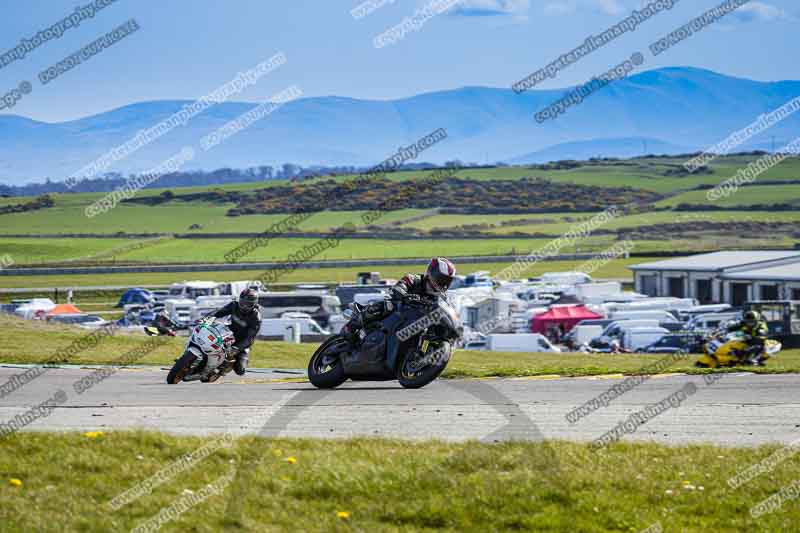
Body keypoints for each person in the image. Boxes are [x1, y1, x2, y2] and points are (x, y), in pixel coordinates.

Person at [353, 257, 457, 332]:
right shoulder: (413, 279)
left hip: (416, 322)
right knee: (386, 306)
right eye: (441, 279)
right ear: (431, 273)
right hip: (399, 310)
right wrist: (404, 295)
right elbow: (399, 287)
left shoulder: (442, 297)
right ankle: (354, 325)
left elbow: (446, 310)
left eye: (447, 281)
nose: (443, 283)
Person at [202, 288, 261, 375]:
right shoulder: (234, 305)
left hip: (241, 342)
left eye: (248, 305)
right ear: (239, 300)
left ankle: (228, 365)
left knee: (240, 371)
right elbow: (218, 312)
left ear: (254, 304)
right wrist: (207, 319)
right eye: (243, 303)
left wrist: (237, 348)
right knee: (209, 340)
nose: (244, 306)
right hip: (228, 333)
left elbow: (250, 338)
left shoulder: (256, 318)